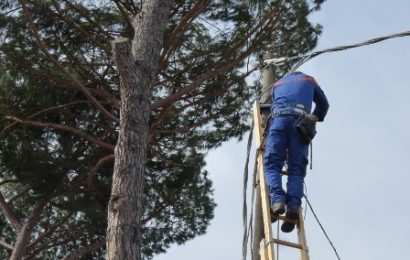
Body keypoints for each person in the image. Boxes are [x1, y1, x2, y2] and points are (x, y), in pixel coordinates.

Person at [264, 71, 329, 233]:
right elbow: (324, 105)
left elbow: (271, 105)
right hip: (300, 124)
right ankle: (293, 207)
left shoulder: (277, 84)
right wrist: (313, 118)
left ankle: (277, 200)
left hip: (278, 121)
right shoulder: (309, 80)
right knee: (296, 170)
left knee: (273, 165)